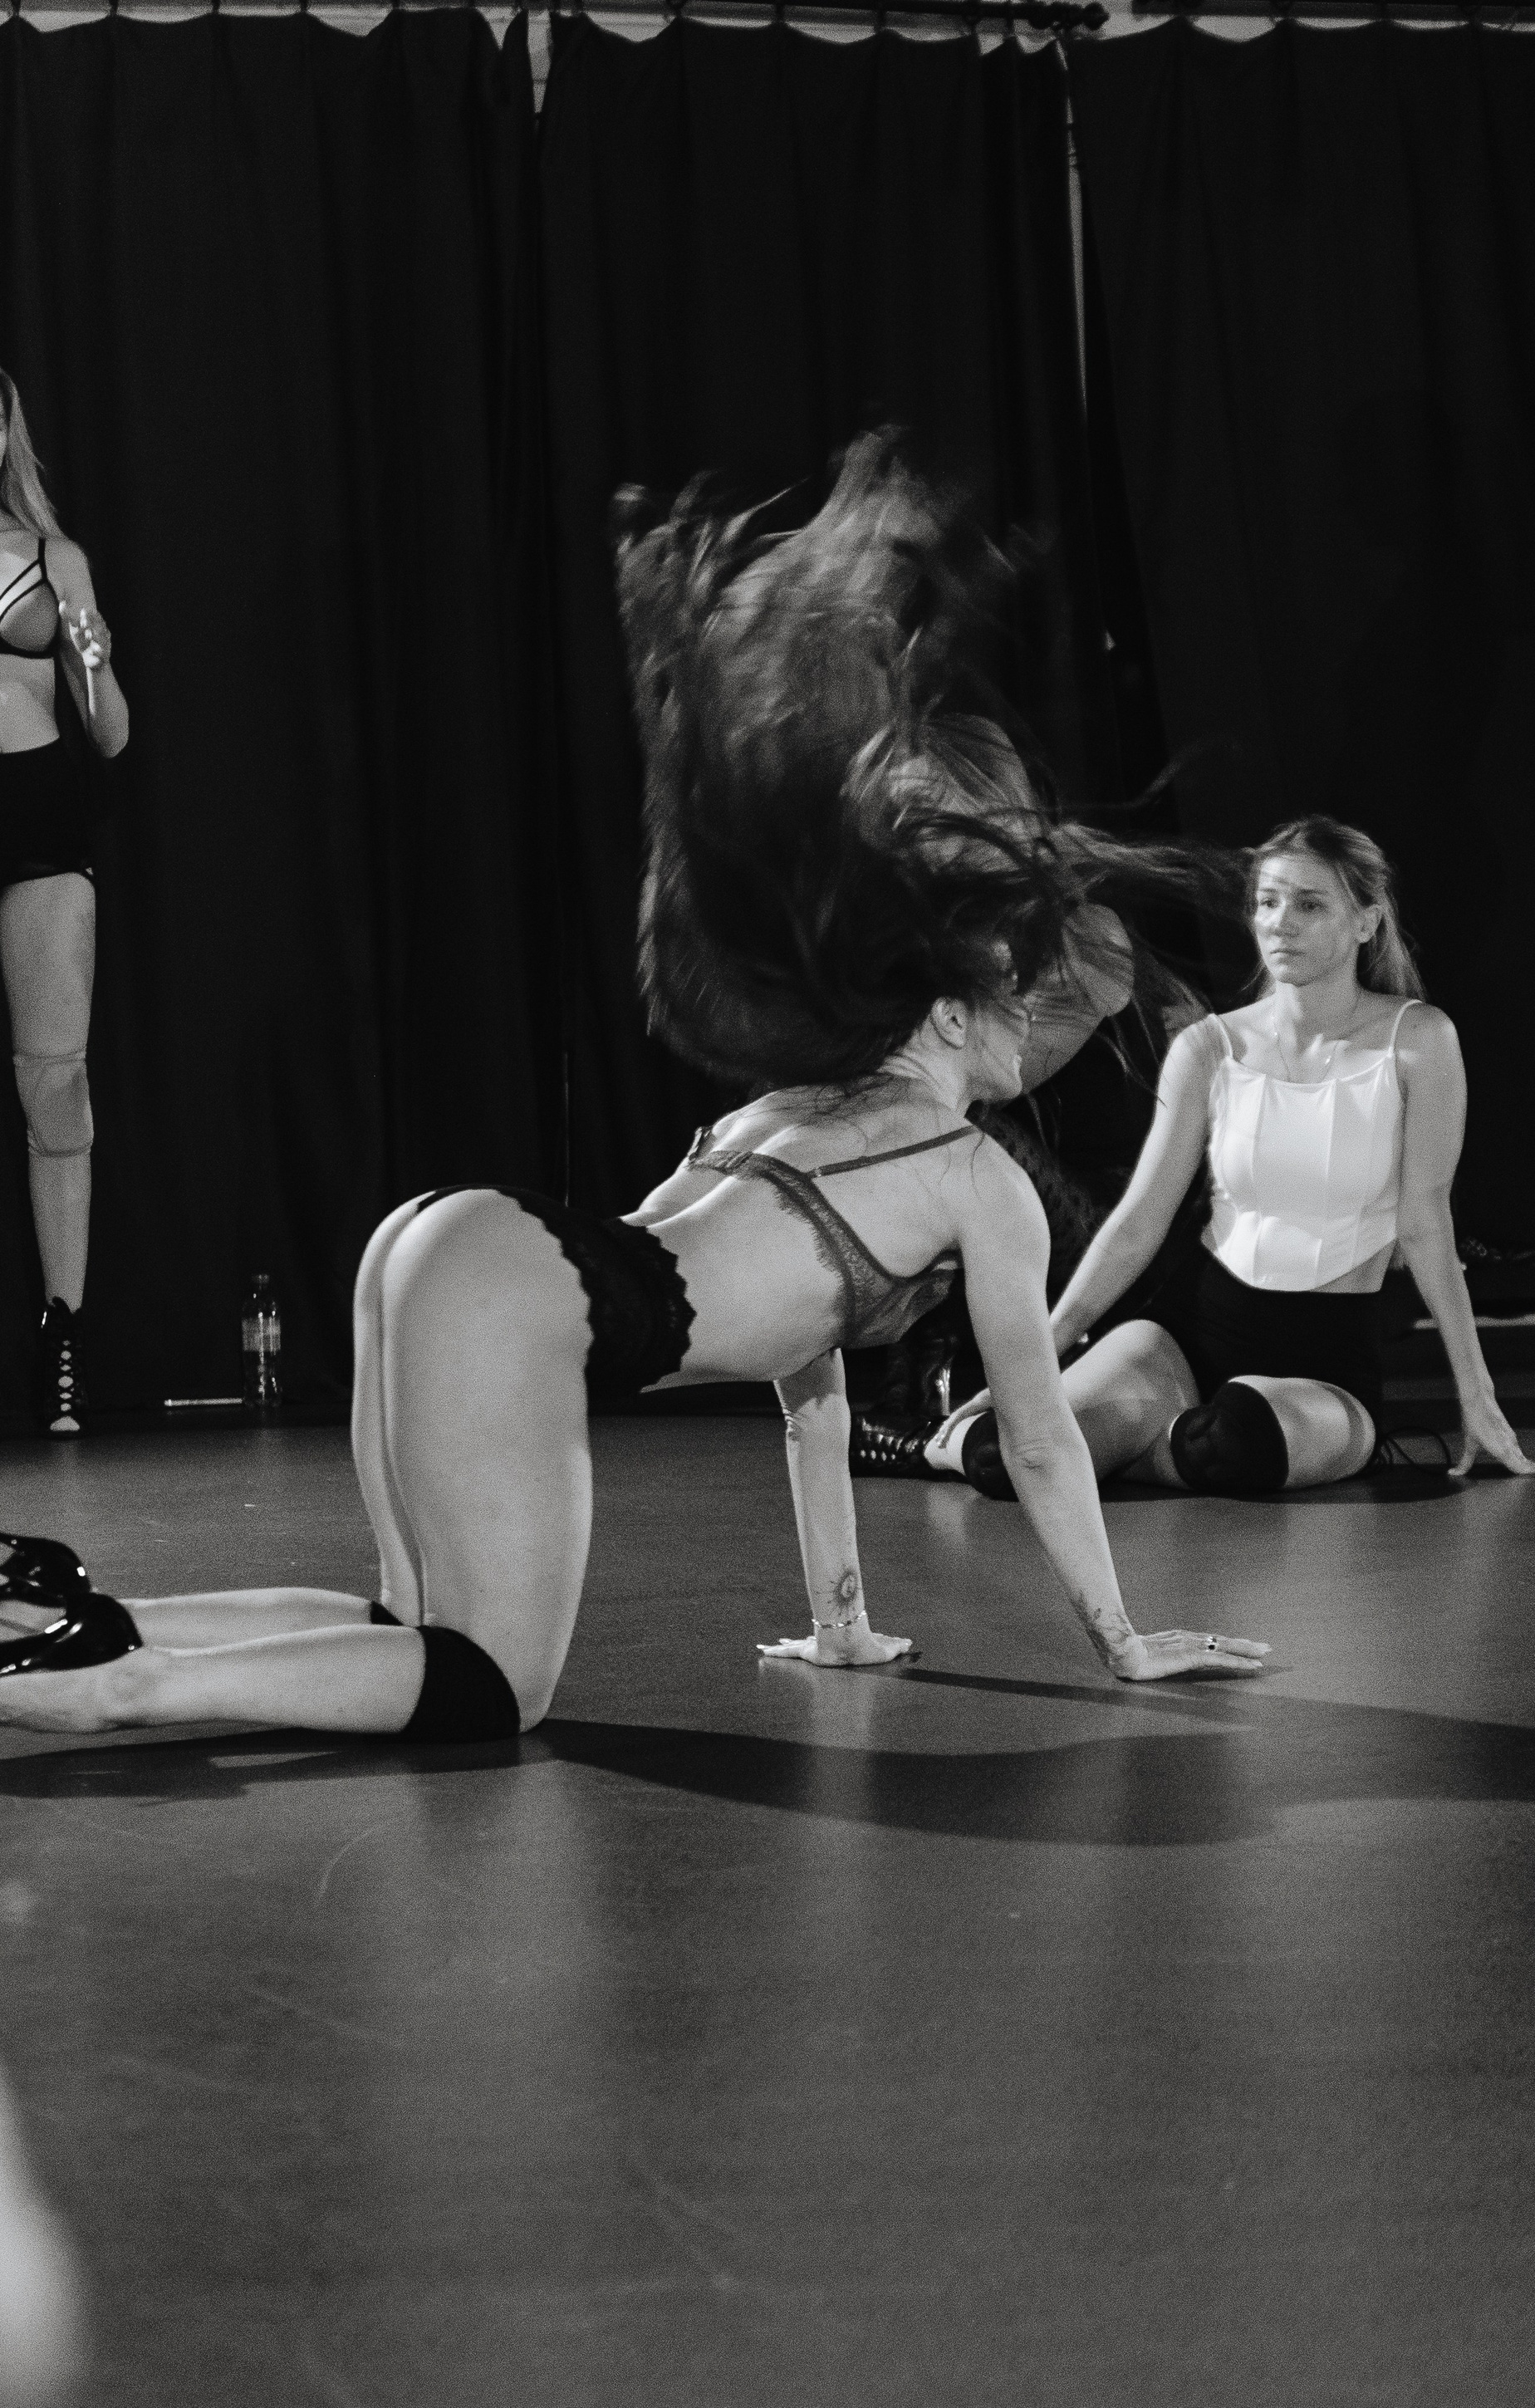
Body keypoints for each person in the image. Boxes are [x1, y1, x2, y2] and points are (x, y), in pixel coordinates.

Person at [0, 437, 1266, 1743]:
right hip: (512, 1288)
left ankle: (68, 1616)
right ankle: (118, 1690)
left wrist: (841, 1620)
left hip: (436, 1242)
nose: (1030, 1048)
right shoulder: (970, 1174)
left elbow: (814, 1410)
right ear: (947, 1003)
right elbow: (1041, 1434)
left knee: (405, 1624)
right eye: (1022, 1013)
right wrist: (1125, 1641)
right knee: (491, 1683)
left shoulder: (794, 1108)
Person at [929, 815, 1535, 1498]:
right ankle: (1010, 1440)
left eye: (1309, 904)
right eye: (1268, 902)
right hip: (1188, 1331)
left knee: (1230, 1441)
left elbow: (1426, 1223)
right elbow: (1138, 1222)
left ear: (1366, 921)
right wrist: (1033, 1362)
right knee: (1002, 1458)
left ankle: (1140, 1443)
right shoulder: (1208, 1046)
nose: (1281, 923)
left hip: (1325, 1363)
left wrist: (1477, 1395)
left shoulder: (1419, 1040)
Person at [0, 368, 130, 1435]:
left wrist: (93, 663)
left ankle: (64, 1336)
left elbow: (115, 733)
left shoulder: (56, 558)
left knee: (57, 1083)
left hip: (39, 825)